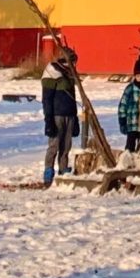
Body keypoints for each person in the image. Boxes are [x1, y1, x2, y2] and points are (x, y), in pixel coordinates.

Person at [41, 46, 81, 183]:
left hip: (69, 114)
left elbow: (73, 97)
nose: (74, 65)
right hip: (56, 115)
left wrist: (75, 118)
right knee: (54, 145)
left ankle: (63, 168)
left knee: (66, 145)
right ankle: (48, 169)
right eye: (72, 62)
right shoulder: (52, 73)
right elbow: (47, 99)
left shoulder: (69, 75)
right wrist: (48, 120)